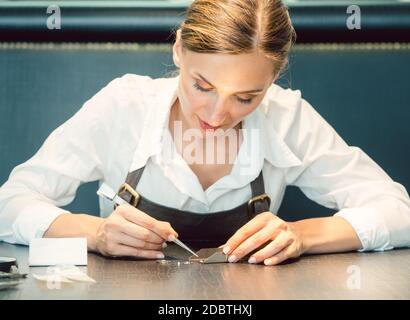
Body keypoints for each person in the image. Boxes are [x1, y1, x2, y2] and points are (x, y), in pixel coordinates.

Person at [0, 0, 409, 266]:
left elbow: (398, 213)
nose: (217, 115)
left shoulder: (288, 116)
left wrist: (301, 234)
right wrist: (95, 233)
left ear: (273, 80)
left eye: (246, 97)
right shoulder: (124, 106)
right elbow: (10, 205)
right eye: (202, 86)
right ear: (179, 49)